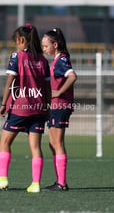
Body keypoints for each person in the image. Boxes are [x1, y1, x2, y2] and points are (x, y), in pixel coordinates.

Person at [0, 24, 50, 193]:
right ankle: (35, 184)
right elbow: (48, 87)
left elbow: (10, 81)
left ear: (22, 40)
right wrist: (47, 107)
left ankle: (2, 179)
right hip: (39, 108)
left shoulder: (17, 57)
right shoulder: (43, 60)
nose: (16, 45)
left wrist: (3, 103)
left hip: (20, 107)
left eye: (17, 41)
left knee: (5, 142)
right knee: (35, 147)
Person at [41, 28, 77, 191]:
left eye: (45, 46)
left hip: (61, 105)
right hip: (55, 106)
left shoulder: (61, 59)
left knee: (57, 142)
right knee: (52, 143)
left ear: (55, 44)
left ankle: (62, 183)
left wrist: (59, 92)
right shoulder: (57, 60)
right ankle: (59, 181)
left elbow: (72, 76)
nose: (44, 49)